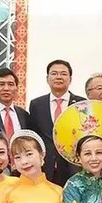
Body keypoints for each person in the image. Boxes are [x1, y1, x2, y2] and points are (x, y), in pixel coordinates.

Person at [29, 59, 85, 187]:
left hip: (73, 166)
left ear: (70, 79)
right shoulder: (37, 104)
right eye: (54, 73)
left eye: (63, 74)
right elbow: (34, 136)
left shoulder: (81, 104)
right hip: (45, 166)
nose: (58, 77)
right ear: (47, 78)